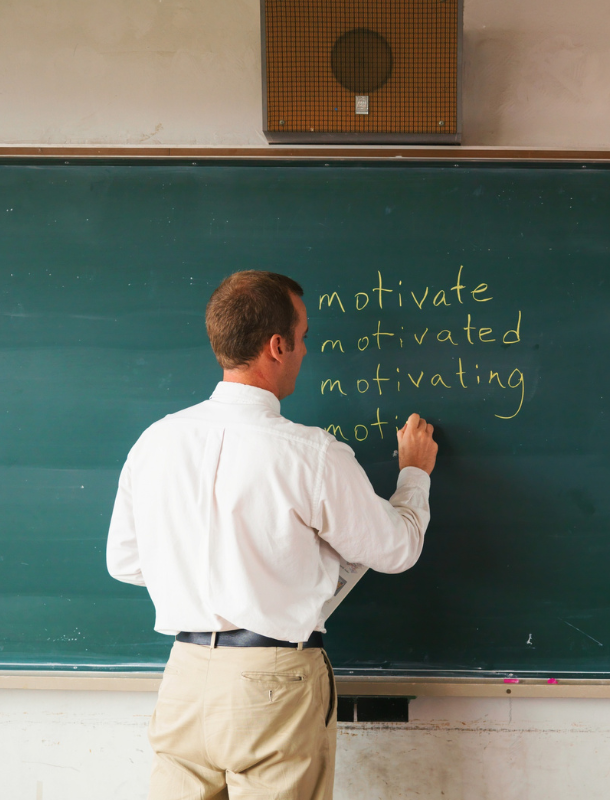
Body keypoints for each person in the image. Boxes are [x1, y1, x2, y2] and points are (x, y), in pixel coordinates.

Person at [106, 271, 437, 800]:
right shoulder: (310, 454)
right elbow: (397, 549)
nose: (306, 351)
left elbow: (124, 562)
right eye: (304, 337)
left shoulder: (156, 442)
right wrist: (415, 476)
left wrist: (207, 572)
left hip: (185, 679)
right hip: (273, 679)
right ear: (276, 345)